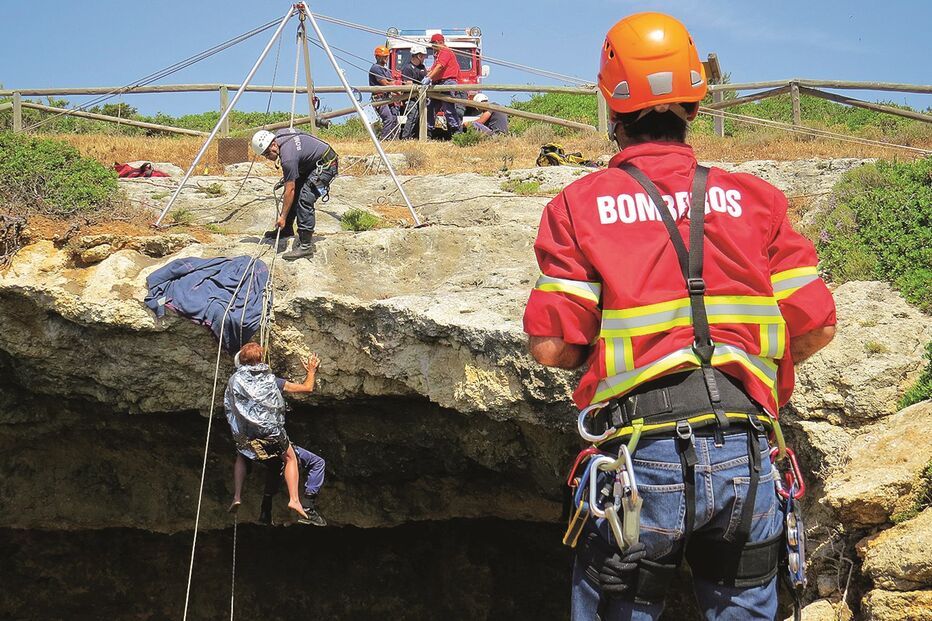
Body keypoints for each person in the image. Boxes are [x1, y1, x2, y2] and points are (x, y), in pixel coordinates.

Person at [522, 12, 837, 621]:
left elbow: (552, 347)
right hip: (747, 450)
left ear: (612, 107)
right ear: (695, 103)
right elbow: (817, 325)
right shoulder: (757, 199)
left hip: (642, 457)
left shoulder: (578, 206)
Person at [225, 342, 328, 527]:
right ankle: (295, 500)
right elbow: (307, 388)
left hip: (246, 438)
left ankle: (237, 496)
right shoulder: (271, 381)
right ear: (261, 360)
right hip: (270, 435)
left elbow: (230, 406)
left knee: (242, 455)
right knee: (290, 458)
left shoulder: (234, 381)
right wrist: (312, 371)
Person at [251, 128, 338, 260]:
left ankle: (306, 246)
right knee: (295, 193)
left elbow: (290, 190)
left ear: (273, 144)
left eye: (267, 154)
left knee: (305, 198)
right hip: (311, 164)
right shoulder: (280, 136)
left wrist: (282, 217)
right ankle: (286, 230)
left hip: (327, 165)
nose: (268, 158)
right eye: (264, 155)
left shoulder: (288, 158)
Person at [423, 33, 462, 136]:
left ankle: (456, 131)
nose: (432, 47)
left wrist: (428, 78)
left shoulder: (445, 51)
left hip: (447, 82)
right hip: (439, 83)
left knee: (448, 107)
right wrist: (428, 76)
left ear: (437, 42)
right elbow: (434, 69)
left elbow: (440, 66)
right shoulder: (439, 54)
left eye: (432, 44)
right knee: (431, 107)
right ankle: (428, 131)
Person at [369, 46, 399, 140]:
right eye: (384, 56)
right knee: (388, 118)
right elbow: (386, 83)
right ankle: (385, 139)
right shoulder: (376, 68)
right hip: (379, 98)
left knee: (394, 118)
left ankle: (393, 140)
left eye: (387, 56)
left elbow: (391, 83)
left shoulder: (386, 70)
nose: (387, 58)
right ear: (377, 57)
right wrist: (396, 86)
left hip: (387, 97)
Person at [400, 45, 428, 139]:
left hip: (421, 97)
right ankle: (406, 137)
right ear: (419, 56)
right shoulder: (407, 68)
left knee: (421, 116)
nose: (424, 58)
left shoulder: (422, 67)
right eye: (423, 56)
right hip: (411, 97)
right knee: (413, 115)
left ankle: (416, 137)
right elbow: (408, 85)